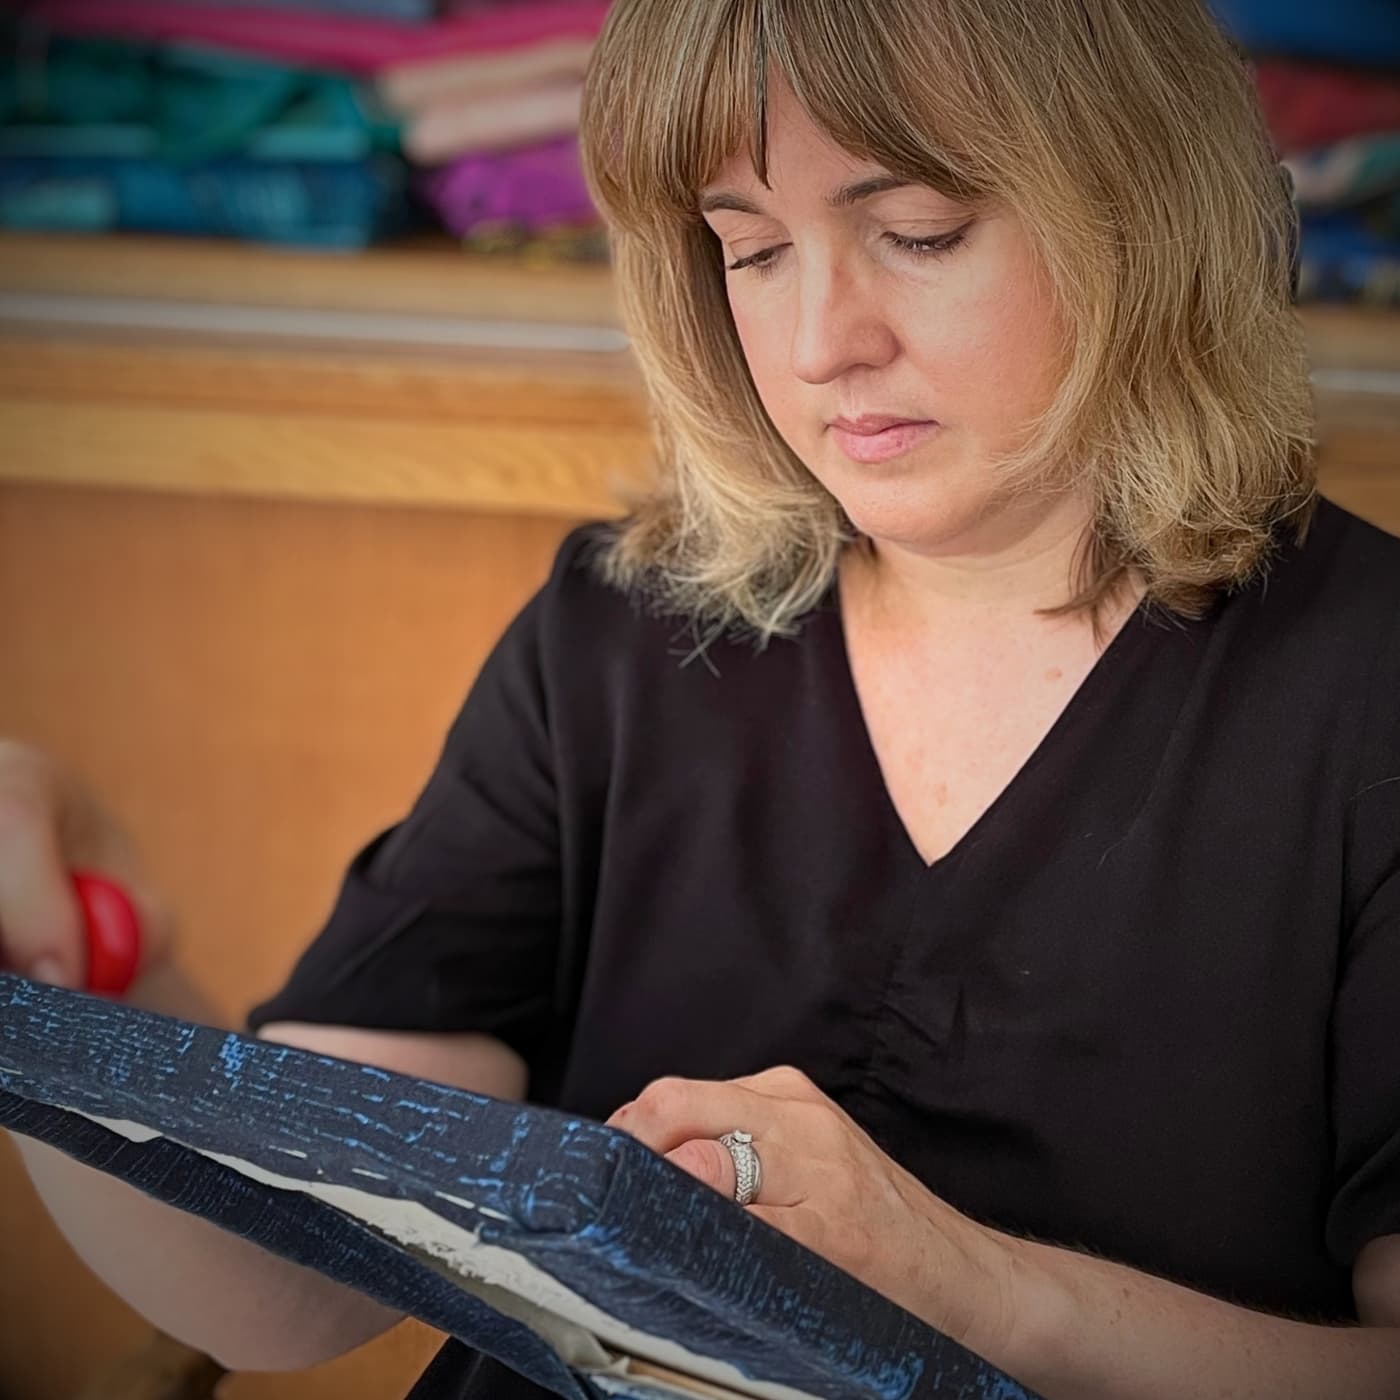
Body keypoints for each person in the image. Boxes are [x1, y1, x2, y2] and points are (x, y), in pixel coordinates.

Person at [3, 0, 1399, 1395]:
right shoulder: (618, 637)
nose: (817, 344)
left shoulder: (1365, 691)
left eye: (917, 230)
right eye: (755, 250)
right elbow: (286, 1287)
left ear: (1150, 204)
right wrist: (68, 987)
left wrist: (974, 1291)